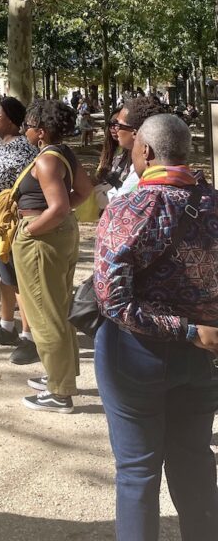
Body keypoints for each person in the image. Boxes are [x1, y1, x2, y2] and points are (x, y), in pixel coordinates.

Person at [94, 113, 218, 541]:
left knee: (136, 472)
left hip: (135, 357)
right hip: (205, 357)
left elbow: (112, 299)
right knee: (196, 462)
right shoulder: (214, 203)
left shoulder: (129, 209)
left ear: (144, 152)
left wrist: (182, 329)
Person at [14, 100, 94, 413]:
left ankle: (60, 393)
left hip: (42, 238)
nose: (25, 131)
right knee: (58, 307)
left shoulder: (46, 161)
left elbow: (59, 207)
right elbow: (84, 191)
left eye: (28, 126)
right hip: (60, 235)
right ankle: (60, 376)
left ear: (42, 131)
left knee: (43, 314)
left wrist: (32, 230)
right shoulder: (64, 153)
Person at [0, 97, 41, 365]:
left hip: (11, 225)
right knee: (3, 279)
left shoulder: (25, 150)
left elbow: (29, 185)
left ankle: (29, 337)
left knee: (18, 281)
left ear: (12, 120)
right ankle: (6, 326)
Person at [107, 95, 163, 204]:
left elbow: (118, 206)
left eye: (118, 125)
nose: (115, 129)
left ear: (135, 133)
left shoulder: (142, 174)